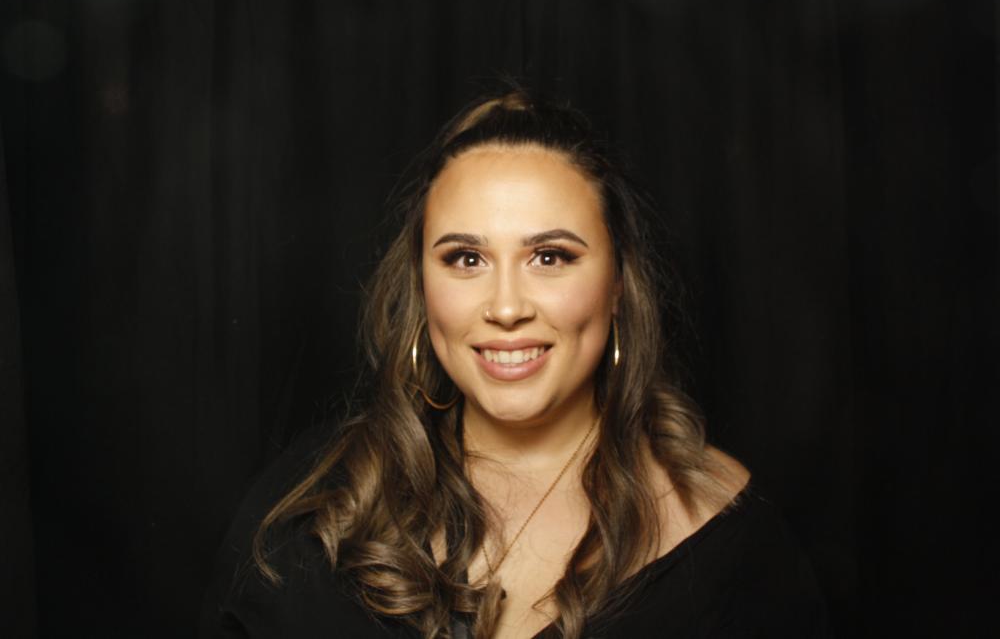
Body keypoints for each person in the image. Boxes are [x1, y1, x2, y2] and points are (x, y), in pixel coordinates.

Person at [200, 88, 831, 638]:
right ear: (422, 285)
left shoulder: (735, 552)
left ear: (617, 285)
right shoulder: (305, 511)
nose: (505, 308)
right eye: (466, 259)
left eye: (550, 257)